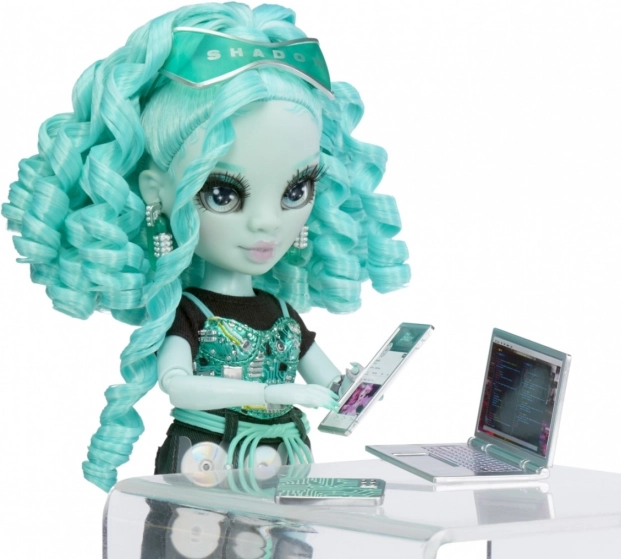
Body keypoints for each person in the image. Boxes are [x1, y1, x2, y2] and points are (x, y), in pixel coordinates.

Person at [2, 2, 410, 492]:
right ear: (156, 192)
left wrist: (352, 389)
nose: (267, 222)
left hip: (286, 463)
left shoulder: (282, 313)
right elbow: (176, 384)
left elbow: (325, 380)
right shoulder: (190, 313)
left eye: (296, 190)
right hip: (206, 462)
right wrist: (273, 393)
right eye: (222, 194)